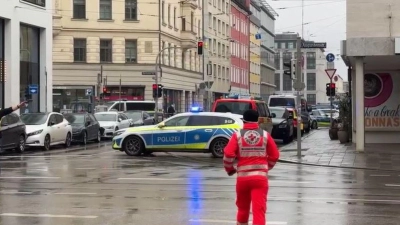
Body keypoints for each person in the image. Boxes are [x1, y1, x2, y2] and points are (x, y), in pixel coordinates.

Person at [223, 109, 280, 225]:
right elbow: (275, 155)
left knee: (243, 209)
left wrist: (230, 169)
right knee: (259, 211)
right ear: (258, 121)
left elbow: (228, 155)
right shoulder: (265, 135)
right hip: (260, 179)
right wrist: (266, 168)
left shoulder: (237, 135)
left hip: (242, 179)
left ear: (243, 120)